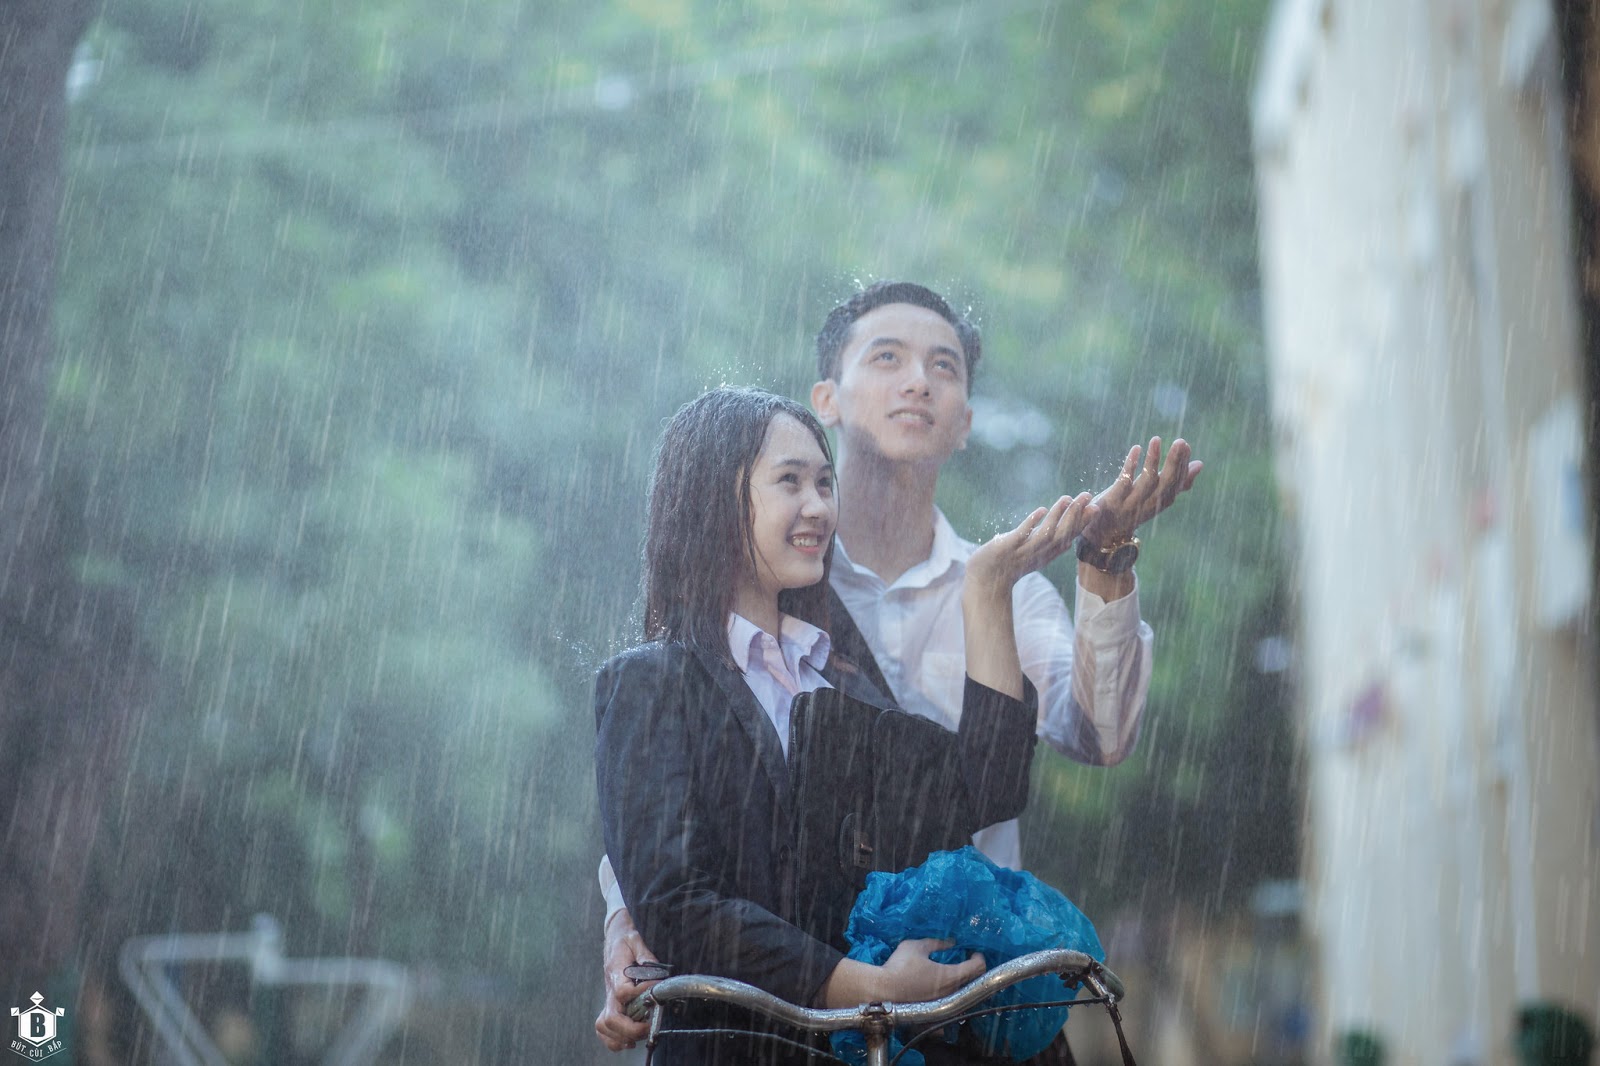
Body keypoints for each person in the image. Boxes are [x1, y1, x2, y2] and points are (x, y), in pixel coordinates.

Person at [596, 283, 1201, 1055]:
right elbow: (673, 834)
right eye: (887, 358)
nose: (918, 382)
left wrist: (1070, 568)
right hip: (784, 1029)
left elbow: (1030, 767)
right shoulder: (790, 604)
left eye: (943, 366)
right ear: (829, 397)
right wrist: (629, 920)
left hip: (963, 1005)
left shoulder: (870, 637)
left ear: (966, 419)